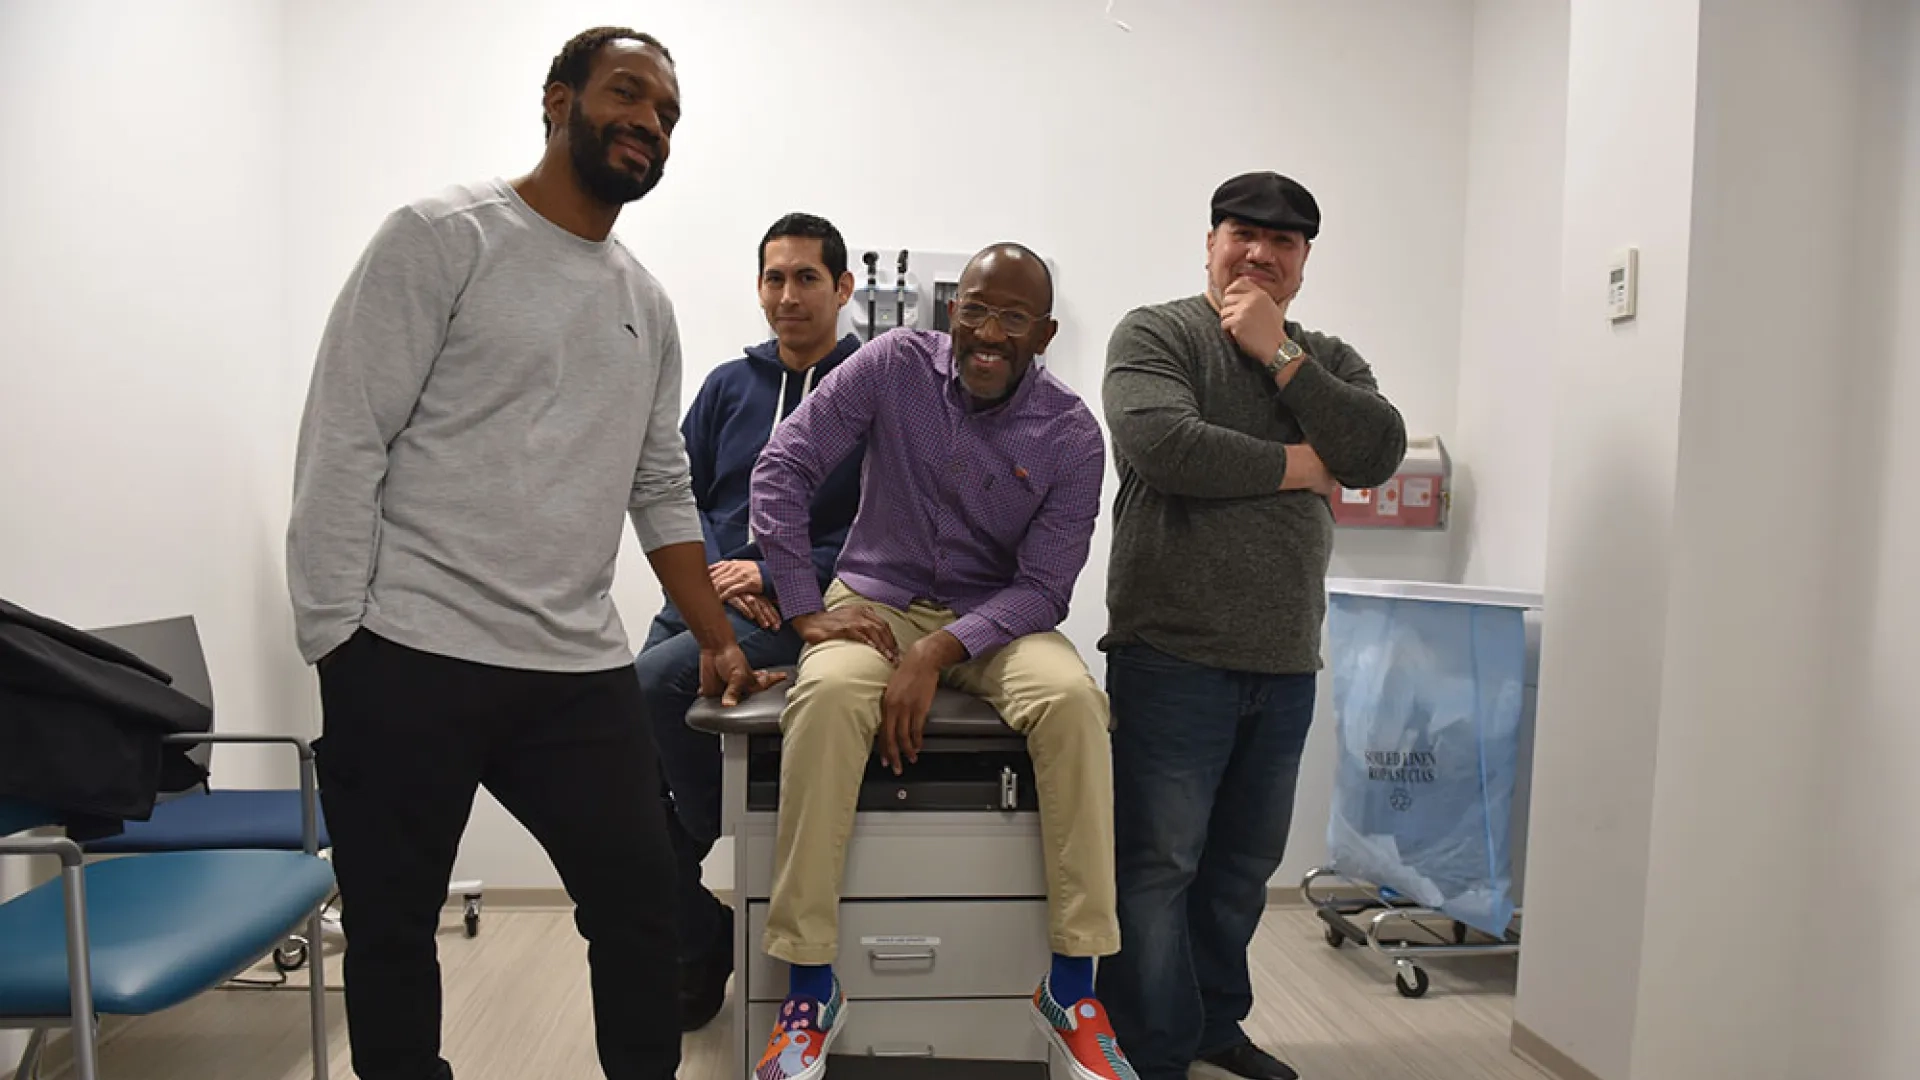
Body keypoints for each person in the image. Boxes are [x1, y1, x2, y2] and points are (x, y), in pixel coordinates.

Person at [285, 27, 783, 1080]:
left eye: (667, 115)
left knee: (644, 902)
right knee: (391, 926)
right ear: (558, 100)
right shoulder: (441, 237)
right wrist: (337, 639)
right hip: (408, 651)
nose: (649, 122)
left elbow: (660, 485)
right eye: (628, 94)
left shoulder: (643, 302)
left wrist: (712, 635)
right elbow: (346, 436)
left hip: (571, 667)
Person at [746, 243, 1142, 1080]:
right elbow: (784, 464)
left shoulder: (1072, 433)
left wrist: (938, 648)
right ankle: (810, 988)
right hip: (874, 601)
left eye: (1013, 318)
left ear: (1045, 332)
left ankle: (1072, 988)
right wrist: (806, 606)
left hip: (994, 617)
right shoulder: (892, 366)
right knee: (822, 700)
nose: (988, 333)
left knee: (1075, 699)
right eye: (975, 309)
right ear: (950, 310)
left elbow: (1044, 587)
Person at [1095, 171, 1409, 1080]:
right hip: (1171, 654)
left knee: (1240, 874)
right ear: (1211, 241)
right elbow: (1165, 445)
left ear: (1304, 262)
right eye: (1243, 233)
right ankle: (1150, 1050)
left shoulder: (1327, 358)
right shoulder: (1157, 333)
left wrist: (1283, 359)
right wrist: (1307, 463)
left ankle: (1213, 1031)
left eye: (1285, 242)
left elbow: (1378, 451)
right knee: (1157, 870)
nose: (1261, 253)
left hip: (1282, 662)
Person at [633, 211, 865, 1033]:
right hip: (703, 594)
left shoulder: (874, 391)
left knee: (655, 686)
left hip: (793, 606)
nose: (788, 295)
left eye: (807, 278)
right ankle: (702, 931)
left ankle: (702, 842)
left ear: (842, 287)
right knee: (616, 741)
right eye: (775, 278)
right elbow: (675, 496)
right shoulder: (728, 388)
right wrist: (709, 583)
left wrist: (773, 572)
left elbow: (882, 533)